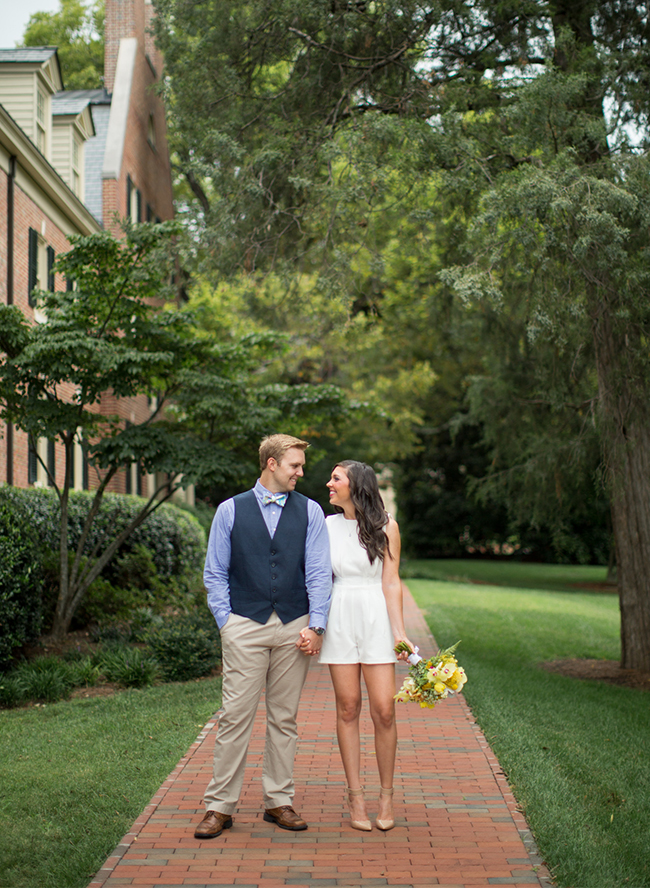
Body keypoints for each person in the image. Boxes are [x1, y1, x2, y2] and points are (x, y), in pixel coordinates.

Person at [194, 434, 332, 839]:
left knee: (284, 717)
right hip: (244, 624)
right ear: (271, 463)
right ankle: (220, 806)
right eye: (295, 465)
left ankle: (278, 800)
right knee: (235, 716)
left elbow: (320, 573)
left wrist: (316, 624)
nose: (301, 473)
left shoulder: (310, 512)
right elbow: (215, 572)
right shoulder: (229, 510)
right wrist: (226, 620)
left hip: (295, 624)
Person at [315, 460, 414, 832]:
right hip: (340, 615)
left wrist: (399, 632)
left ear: (355, 486)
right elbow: (318, 578)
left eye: (335, 479)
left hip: (375, 616)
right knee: (348, 706)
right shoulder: (324, 527)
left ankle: (386, 796)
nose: (329, 483)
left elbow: (391, 581)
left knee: (384, 710)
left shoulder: (387, 526)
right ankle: (356, 796)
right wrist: (316, 624)